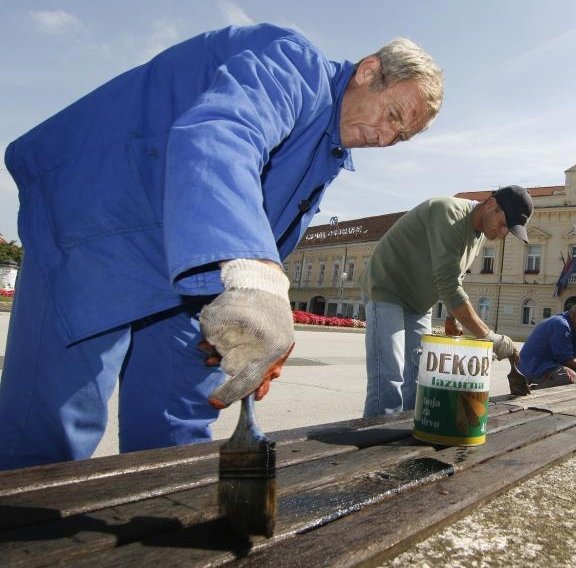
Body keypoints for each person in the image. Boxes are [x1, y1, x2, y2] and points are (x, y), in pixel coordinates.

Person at [0, 23, 444, 470]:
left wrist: (258, 321)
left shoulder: (326, 152)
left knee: (182, 414)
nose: (385, 139)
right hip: (99, 218)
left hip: (191, 262)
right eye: (392, 117)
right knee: (51, 427)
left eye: (400, 137)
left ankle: (161, 519)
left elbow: (264, 232)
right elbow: (222, 133)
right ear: (368, 72)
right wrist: (255, 280)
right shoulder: (295, 66)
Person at [361, 185, 533, 417]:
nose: (503, 233)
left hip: (419, 303)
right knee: (389, 377)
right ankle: (373, 445)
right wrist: (489, 337)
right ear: (491, 204)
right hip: (387, 288)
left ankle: (407, 433)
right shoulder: (448, 212)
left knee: (420, 375)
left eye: (508, 230)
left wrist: (454, 318)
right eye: (504, 224)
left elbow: (456, 275)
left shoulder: (479, 234)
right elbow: (449, 285)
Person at [510, 301, 576, 394]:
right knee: (569, 375)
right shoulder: (562, 325)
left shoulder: (571, 327)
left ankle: (556, 392)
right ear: (573, 314)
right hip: (531, 366)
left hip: (540, 364)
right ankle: (532, 392)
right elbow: (566, 360)